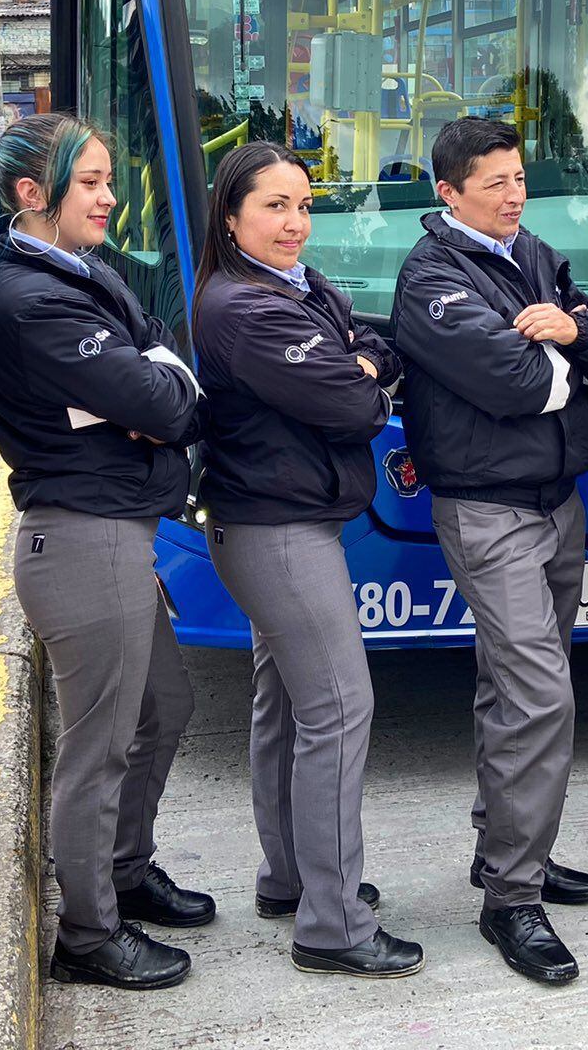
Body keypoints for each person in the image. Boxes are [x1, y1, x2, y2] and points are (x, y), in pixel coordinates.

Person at [0, 113, 211, 989]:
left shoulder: (77, 272)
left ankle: (125, 874)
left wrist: (156, 378)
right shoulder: (35, 299)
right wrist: (159, 380)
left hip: (113, 532)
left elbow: (160, 374)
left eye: (108, 179)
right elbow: (173, 402)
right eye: (91, 183)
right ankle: (90, 934)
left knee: (162, 708)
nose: (109, 196)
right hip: (81, 539)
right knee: (99, 750)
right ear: (33, 195)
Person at [390, 117, 588, 986]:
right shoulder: (431, 276)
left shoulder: (535, 253)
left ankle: (507, 851)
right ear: (447, 193)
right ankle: (512, 902)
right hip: (488, 511)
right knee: (538, 698)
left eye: (519, 177)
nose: (514, 194)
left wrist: (571, 337)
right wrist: (563, 350)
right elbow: (515, 380)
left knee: (516, 687)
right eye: (493, 183)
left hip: (559, 503)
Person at [191, 141, 424, 980]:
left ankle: (290, 877)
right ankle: (334, 923)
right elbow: (358, 402)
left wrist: (362, 361)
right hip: (278, 532)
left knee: (288, 707)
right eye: (273, 208)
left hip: (280, 523)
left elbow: (374, 350)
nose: (295, 223)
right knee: (337, 709)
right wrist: (360, 370)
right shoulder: (246, 309)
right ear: (231, 216)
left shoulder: (297, 286)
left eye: (303, 205)